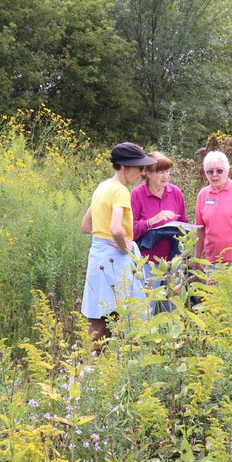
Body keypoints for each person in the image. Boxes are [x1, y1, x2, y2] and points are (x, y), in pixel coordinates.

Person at [81, 142, 156, 351]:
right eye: (139, 168)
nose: (142, 173)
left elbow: (86, 226)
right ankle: (128, 365)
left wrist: (107, 237)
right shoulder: (121, 191)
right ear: (125, 167)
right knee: (132, 313)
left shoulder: (102, 187)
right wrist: (124, 247)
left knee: (99, 313)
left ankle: (92, 368)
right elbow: (116, 228)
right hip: (115, 258)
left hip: (97, 256)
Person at [131, 151, 189, 312]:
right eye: (160, 171)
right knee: (146, 306)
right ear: (147, 173)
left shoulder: (175, 192)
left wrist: (185, 234)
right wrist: (151, 221)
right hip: (148, 261)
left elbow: (184, 222)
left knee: (171, 306)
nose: (165, 176)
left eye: (167, 171)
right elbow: (129, 231)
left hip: (173, 259)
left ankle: (171, 338)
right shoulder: (137, 194)